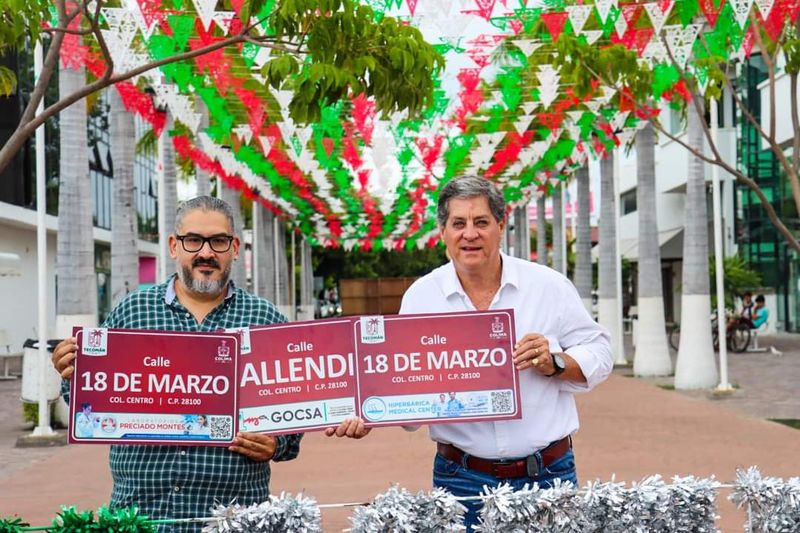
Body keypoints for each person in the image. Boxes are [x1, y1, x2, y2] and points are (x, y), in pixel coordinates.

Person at [327, 176, 613, 531]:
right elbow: (405, 394)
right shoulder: (421, 297)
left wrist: (555, 362)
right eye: (458, 223)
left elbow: (600, 351)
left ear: (500, 226)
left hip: (548, 474)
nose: (470, 234)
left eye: (481, 222)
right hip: (460, 478)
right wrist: (366, 411)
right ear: (443, 231)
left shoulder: (548, 286)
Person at [51, 196, 303, 531]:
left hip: (236, 517)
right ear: (174, 245)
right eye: (193, 240)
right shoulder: (132, 312)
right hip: (143, 515)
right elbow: (86, 402)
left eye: (218, 241)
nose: (206, 252)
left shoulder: (265, 319)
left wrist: (278, 443)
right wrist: (70, 371)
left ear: (235, 247)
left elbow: (296, 409)